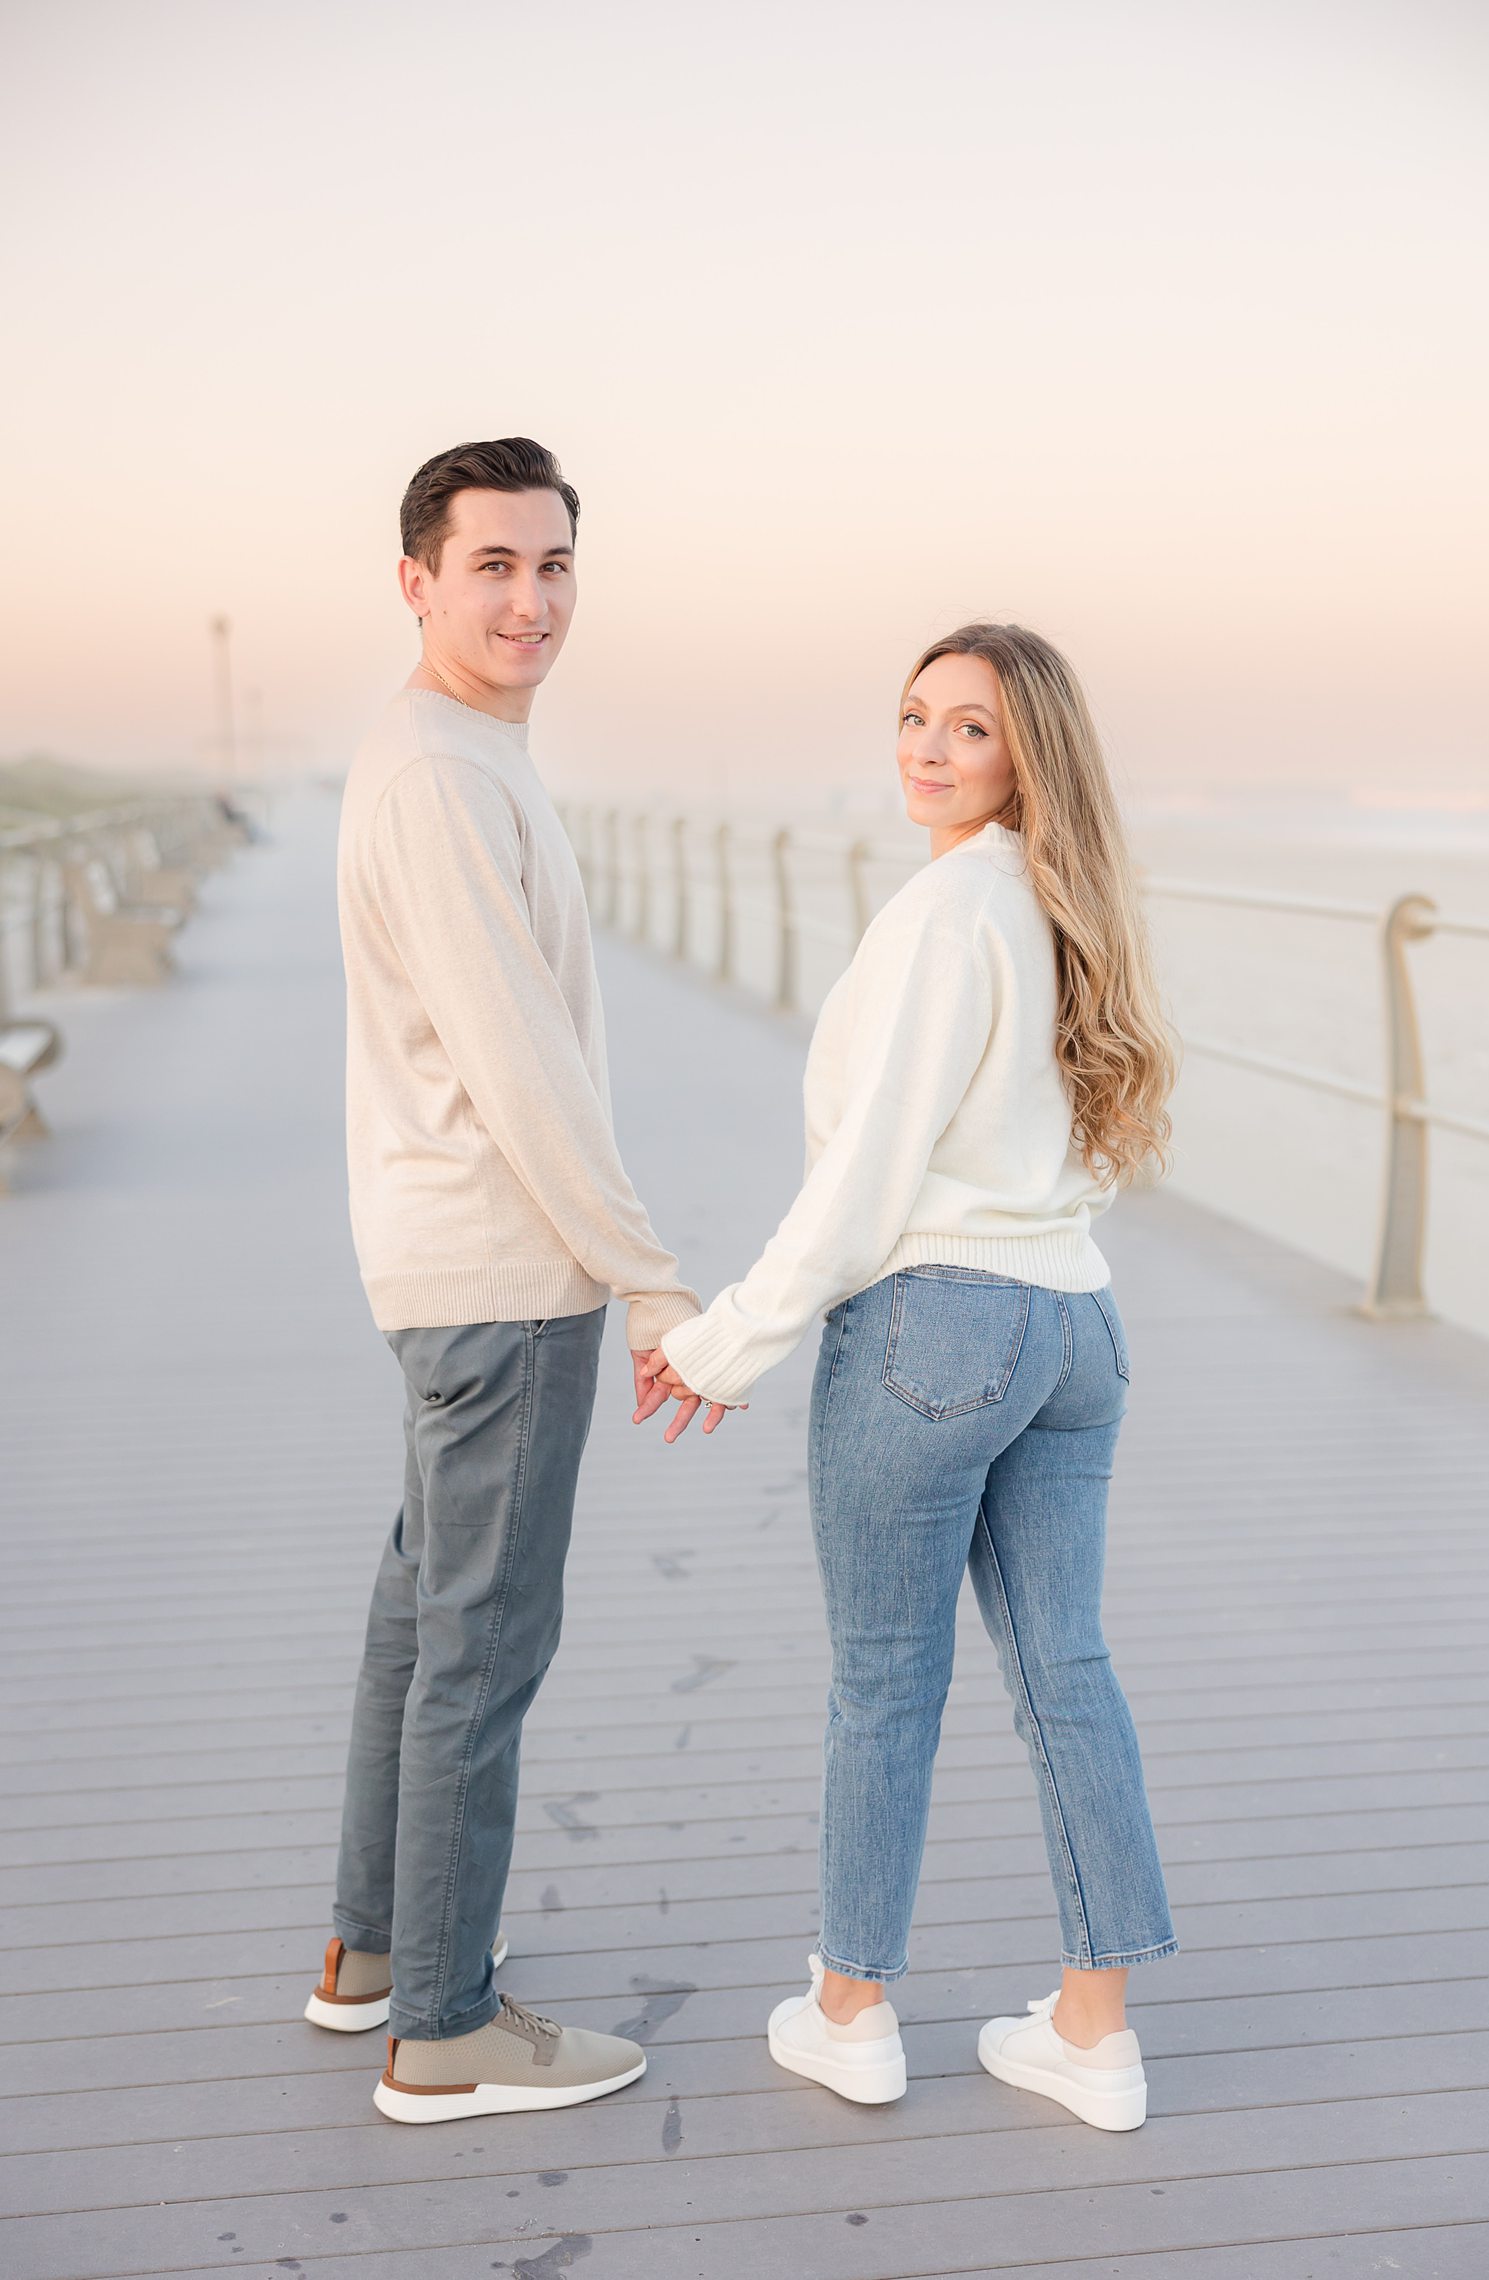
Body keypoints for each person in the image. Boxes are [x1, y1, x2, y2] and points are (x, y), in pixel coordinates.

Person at [639, 622, 1178, 2129]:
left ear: (1028, 760)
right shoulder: (1072, 905)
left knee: (887, 1679)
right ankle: (1094, 2031)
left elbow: (871, 1177)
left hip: (942, 1325)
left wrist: (726, 1338)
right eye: (914, 719)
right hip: (1076, 1325)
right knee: (1066, 1670)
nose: (929, 752)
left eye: (971, 731)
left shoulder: (949, 913)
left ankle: (854, 2010)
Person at [308, 437, 733, 2123]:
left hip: (449, 1267)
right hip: (503, 1274)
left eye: (553, 565)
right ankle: (446, 2028)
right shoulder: (438, 775)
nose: (530, 597)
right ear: (417, 580)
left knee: (422, 1626)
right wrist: (650, 1280)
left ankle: (368, 1960)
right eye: (492, 564)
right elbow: (524, 1062)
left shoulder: (459, 750)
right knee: (481, 1649)